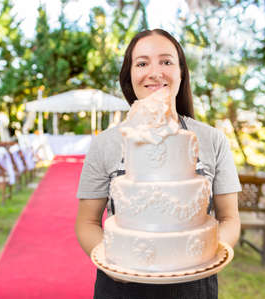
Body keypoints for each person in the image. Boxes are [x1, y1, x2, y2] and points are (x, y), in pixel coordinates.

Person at [75, 29, 241, 299]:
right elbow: (87, 221)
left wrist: (201, 255)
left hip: (194, 287)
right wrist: (118, 264)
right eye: (142, 63)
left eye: (166, 61)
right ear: (129, 75)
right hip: (120, 287)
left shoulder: (212, 139)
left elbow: (230, 217)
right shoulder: (105, 144)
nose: (155, 72)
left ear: (181, 72)